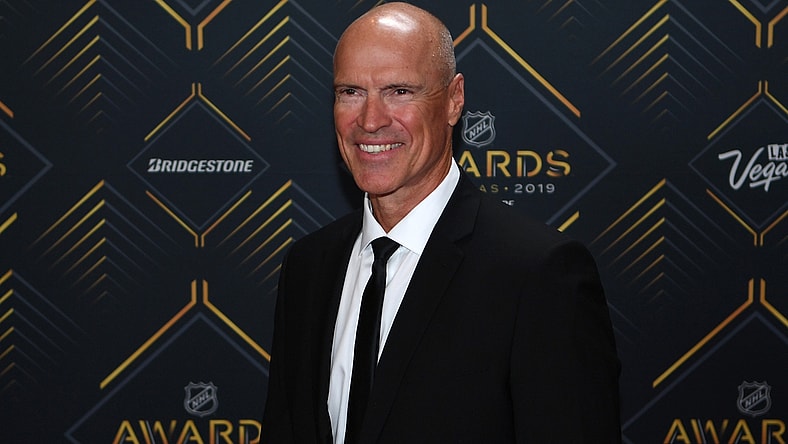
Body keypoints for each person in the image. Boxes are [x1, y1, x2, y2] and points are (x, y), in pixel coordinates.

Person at [261, 2, 621, 443]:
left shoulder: (537, 274)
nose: (370, 120)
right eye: (350, 92)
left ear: (454, 100)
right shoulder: (308, 266)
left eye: (399, 91)